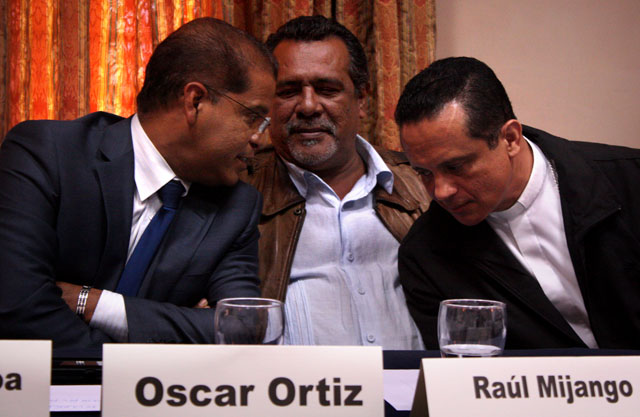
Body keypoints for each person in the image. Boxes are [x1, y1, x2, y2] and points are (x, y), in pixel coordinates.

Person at [0, 17, 276, 348]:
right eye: (253, 117)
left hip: (158, 398)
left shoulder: (237, 207)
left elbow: (242, 331)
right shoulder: (48, 154)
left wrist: (96, 304)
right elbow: (18, 309)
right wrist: (160, 335)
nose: (262, 138)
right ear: (195, 102)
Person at [395, 56, 640, 350]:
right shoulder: (425, 255)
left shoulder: (629, 181)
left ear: (510, 138)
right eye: (424, 173)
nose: (441, 191)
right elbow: (461, 378)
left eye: (456, 167)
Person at [242, 16, 428, 349]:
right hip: (295, 395)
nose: (309, 106)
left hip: (417, 393)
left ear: (362, 98)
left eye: (327, 89)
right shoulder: (237, 194)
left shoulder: (423, 184)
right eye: (288, 91)